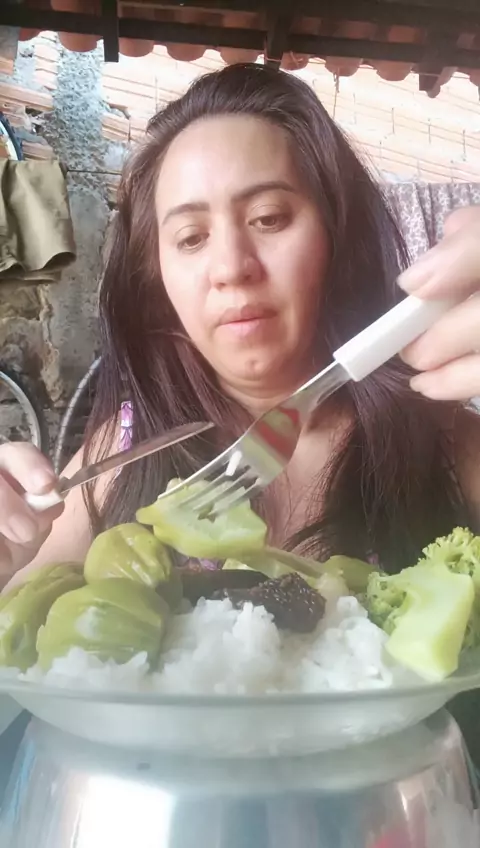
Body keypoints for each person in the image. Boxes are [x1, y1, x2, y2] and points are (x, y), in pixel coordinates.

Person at [0, 63, 479, 755]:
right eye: (190, 237)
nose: (231, 266)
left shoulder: (446, 439)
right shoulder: (125, 447)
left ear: (336, 236)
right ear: (158, 277)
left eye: (269, 218)